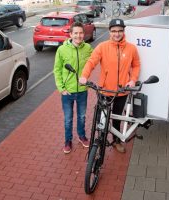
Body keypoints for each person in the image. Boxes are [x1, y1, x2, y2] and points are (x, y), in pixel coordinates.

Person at [79, 19, 141, 153]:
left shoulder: (131, 48)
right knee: (102, 118)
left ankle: (116, 141)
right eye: (114, 31)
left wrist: (133, 80)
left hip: (122, 91)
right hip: (105, 90)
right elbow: (91, 62)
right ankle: (100, 140)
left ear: (123, 31)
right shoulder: (102, 47)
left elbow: (136, 65)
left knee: (117, 118)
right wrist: (84, 76)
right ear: (110, 32)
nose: (117, 34)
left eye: (119, 31)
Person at [53, 22, 93, 154]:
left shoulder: (87, 48)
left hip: (82, 91)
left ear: (84, 34)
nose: (78, 35)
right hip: (67, 92)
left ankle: (81, 136)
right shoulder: (62, 49)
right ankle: (68, 140)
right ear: (70, 34)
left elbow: (96, 60)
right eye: (75, 33)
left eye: (81, 33)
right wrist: (61, 88)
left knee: (81, 116)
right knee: (68, 118)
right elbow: (57, 70)